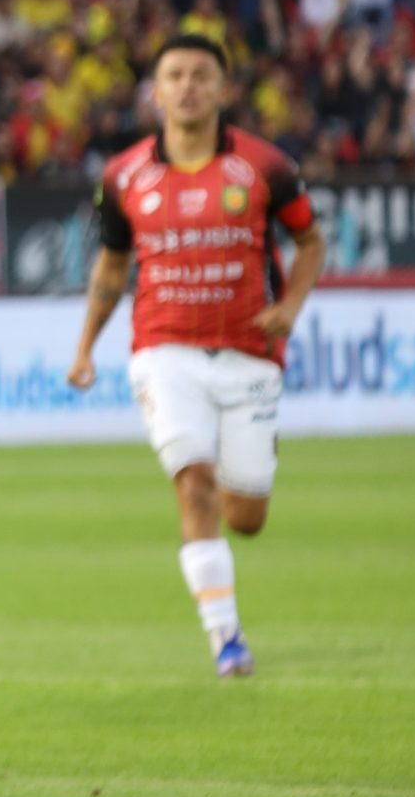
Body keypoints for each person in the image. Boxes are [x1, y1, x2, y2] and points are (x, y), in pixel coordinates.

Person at [67, 35, 326, 679]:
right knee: (193, 482)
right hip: (163, 347)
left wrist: (290, 308)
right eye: (174, 75)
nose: (187, 86)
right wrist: (85, 346)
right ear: (155, 91)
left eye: (201, 75)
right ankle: (226, 639)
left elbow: (311, 243)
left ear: (223, 89)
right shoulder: (123, 176)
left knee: (247, 516)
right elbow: (112, 265)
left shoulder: (266, 167)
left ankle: (256, 456)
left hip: (250, 351)